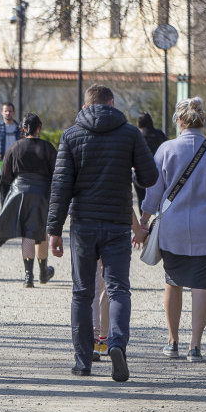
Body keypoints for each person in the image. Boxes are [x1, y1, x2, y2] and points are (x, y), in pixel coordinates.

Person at [47, 84, 158, 381]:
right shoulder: (130, 134)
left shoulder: (71, 135)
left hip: (83, 224)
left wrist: (54, 231)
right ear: (112, 103)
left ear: (85, 107)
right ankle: (116, 344)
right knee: (119, 288)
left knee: (82, 293)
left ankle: (83, 361)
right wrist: (129, 162)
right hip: (117, 223)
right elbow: (150, 177)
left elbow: (60, 187)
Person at [136, 98, 206, 362]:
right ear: (203, 121)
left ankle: (172, 341)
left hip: (173, 230)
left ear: (179, 121)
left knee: (173, 282)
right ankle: (196, 346)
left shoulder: (166, 150)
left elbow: (153, 194)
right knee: (201, 286)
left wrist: (143, 223)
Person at [0, 113, 58, 288]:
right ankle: (43, 273)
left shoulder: (15, 147)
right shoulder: (47, 147)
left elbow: (5, 175)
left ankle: (28, 276)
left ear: (22, 128)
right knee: (40, 231)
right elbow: (57, 173)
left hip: (20, 192)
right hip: (42, 191)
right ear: (38, 128)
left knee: (27, 233)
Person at [135, 112, 168, 211]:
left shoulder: (138, 136)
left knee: (141, 198)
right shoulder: (159, 134)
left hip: (140, 171)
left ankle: (143, 222)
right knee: (160, 197)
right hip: (159, 171)